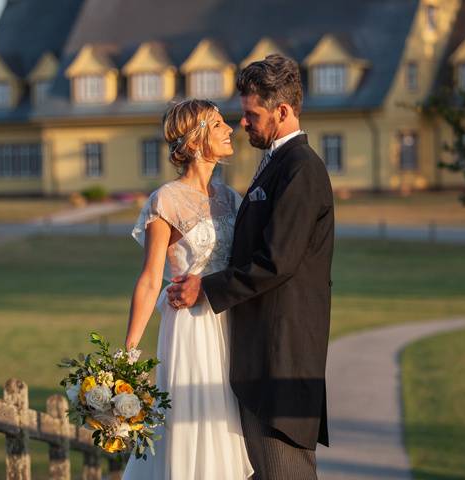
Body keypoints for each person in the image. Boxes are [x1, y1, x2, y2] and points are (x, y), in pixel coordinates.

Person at [167, 54, 334, 480]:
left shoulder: (302, 169)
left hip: (281, 361)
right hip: (260, 353)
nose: (243, 124)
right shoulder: (276, 163)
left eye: (251, 114)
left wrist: (205, 288)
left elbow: (277, 260)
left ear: (282, 111)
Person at [122, 99, 254, 479]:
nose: (230, 129)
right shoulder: (165, 200)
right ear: (196, 141)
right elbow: (150, 279)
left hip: (229, 322)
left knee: (227, 423)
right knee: (194, 421)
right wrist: (127, 355)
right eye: (217, 125)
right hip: (190, 330)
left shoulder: (231, 199)